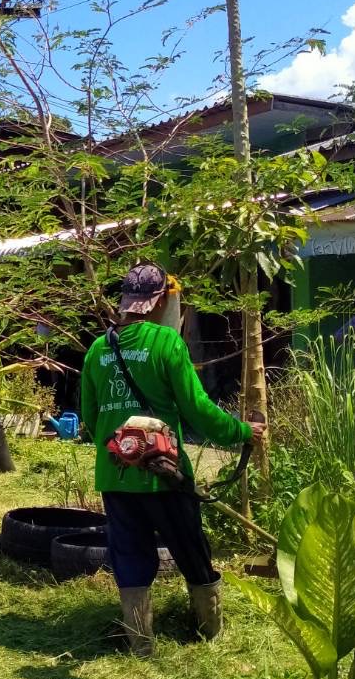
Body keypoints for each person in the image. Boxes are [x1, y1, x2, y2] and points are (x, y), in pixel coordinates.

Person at [80, 263, 265, 656]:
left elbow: (92, 421)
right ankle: (209, 631)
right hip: (165, 476)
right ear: (162, 299)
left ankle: (140, 645)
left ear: (126, 299)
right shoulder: (167, 344)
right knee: (190, 549)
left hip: (116, 475)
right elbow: (197, 410)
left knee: (129, 556)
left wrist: (124, 442)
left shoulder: (98, 350)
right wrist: (242, 432)